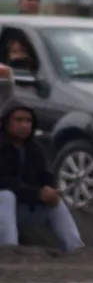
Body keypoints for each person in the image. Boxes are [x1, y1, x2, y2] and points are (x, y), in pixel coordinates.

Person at [0, 100, 84, 252]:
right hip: (4, 206)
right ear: (6, 123)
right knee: (6, 196)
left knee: (55, 202)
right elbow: (4, 181)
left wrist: (50, 192)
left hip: (22, 209)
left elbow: (45, 177)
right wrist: (36, 193)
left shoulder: (35, 150)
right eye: (19, 120)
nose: (25, 125)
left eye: (28, 121)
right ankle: (9, 251)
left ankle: (76, 249)